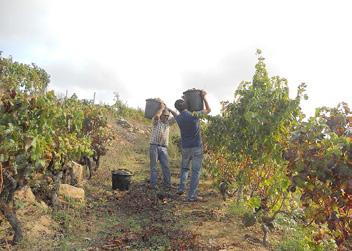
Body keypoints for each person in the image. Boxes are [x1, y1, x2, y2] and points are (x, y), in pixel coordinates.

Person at [173, 90, 211, 202]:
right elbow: (208, 110)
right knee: (195, 171)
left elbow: (176, 113)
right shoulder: (194, 115)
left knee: (184, 169)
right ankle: (191, 196)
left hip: (185, 147)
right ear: (187, 105)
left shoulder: (178, 118)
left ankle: (181, 188)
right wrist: (203, 97)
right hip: (196, 147)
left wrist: (184, 100)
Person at [149, 102, 176, 189]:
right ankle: (153, 185)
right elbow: (156, 116)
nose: (166, 117)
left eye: (167, 116)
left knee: (166, 167)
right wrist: (161, 108)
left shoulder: (168, 123)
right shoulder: (156, 122)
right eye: (165, 115)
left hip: (163, 148)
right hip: (154, 146)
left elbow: (177, 117)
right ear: (161, 115)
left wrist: (170, 110)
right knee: (154, 167)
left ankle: (167, 184)